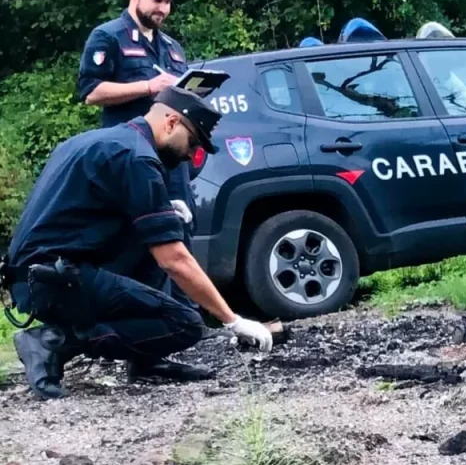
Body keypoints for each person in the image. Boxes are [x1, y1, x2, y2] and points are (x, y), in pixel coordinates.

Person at [1, 86, 273, 400]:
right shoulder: (137, 158)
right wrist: (233, 320)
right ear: (171, 123)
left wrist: (163, 212)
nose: (190, 155)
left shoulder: (97, 141)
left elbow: (81, 216)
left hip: (36, 275)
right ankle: (55, 340)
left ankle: (146, 359)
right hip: (55, 282)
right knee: (184, 323)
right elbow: (174, 260)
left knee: (153, 234)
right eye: (193, 142)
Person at [75, 0, 198, 314]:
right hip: (130, 158)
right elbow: (91, 91)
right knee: (137, 247)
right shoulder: (107, 37)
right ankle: (139, 339)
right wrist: (147, 86)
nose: (163, 8)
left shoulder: (173, 48)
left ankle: (185, 326)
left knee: (181, 233)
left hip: (171, 162)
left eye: (168, 1)